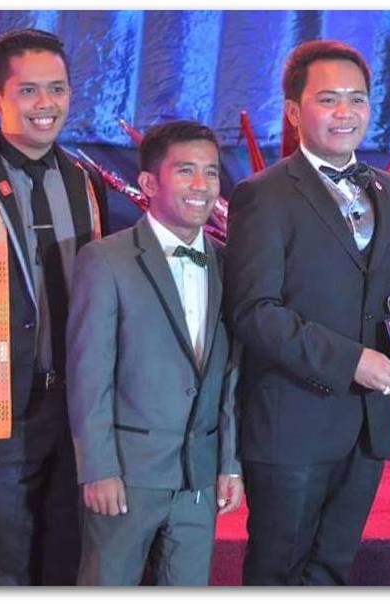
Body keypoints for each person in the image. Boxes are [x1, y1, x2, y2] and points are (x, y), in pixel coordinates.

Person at [224, 39, 390, 585]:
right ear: (293, 111)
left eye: (357, 99)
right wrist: (352, 360)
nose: (345, 112)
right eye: (328, 99)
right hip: (292, 422)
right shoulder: (262, 194)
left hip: (368, 424)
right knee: (277, 571)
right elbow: (254, 311)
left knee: (333, 570)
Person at [0, 28, 108, 585]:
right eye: (28, 90)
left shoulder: (85, 180)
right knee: (8, 565)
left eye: (57, 89)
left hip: (74, 406)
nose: (45, 104)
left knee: (67, 558)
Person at [67, 120, 243, 585]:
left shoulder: (228, 263)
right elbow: (89, 376)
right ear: (148, 183)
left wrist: (229, 462)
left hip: (199, 477)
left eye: (210, 172)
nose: (202, 185)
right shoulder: (105, 259)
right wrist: (98, 469)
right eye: (185, 170)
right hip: (127, 474)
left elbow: (230, 374)